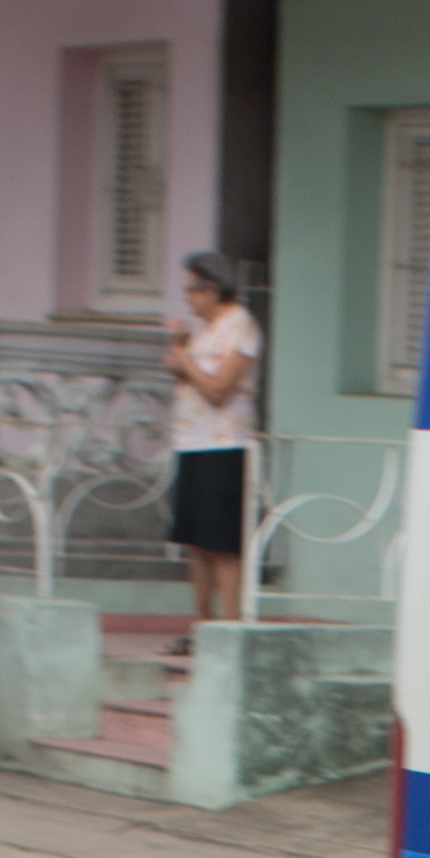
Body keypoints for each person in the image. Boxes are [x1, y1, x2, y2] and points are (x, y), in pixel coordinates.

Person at [163, 250, 259, 625]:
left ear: (213, 288)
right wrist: (183, 356)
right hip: (192, 442)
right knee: (196, 541)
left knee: (221, 543)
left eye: (191, 289)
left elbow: (218, 390)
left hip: (224, 444)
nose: (186, 298)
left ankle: (229, 627)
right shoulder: (207, 329)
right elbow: (194, 376)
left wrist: (181, 353)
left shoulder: (240, 326)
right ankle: (202, 624)